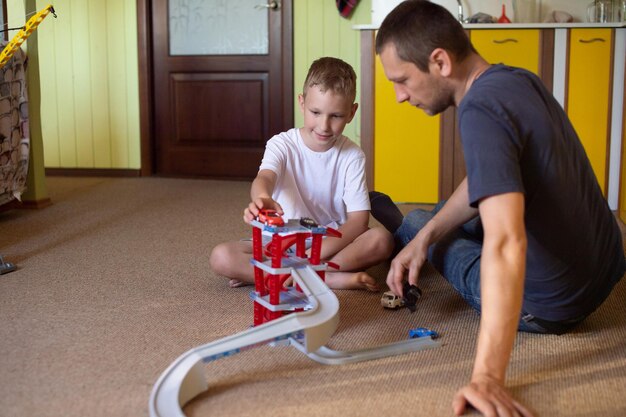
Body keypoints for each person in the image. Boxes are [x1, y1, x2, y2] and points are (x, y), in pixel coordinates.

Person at [373, 1, 626, 416]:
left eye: (402, 80)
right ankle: (414, 240)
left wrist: (487, 377)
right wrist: (424, 240)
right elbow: (487, 177)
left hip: (554, 304)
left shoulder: (479, 111)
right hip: (605, 264)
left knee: (418, 220)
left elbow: (507, 242)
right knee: (427, 226)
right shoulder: (513, 79)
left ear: (439, 61)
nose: (400, 96)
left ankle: (407, 235)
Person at [210, 57, 394, 291]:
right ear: (302, 103)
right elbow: (265, 178)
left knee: (381, 240)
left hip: (329, 242)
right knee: (221, 257)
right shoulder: (282, 144)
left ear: (351, 112)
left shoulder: (352, 155)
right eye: (316, 112)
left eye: (335, 116)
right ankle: (326, 278)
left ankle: (283, 275)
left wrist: (313, 255)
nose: (324, 125)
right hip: (280, 242)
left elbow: (358, 221)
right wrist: (262, 197)